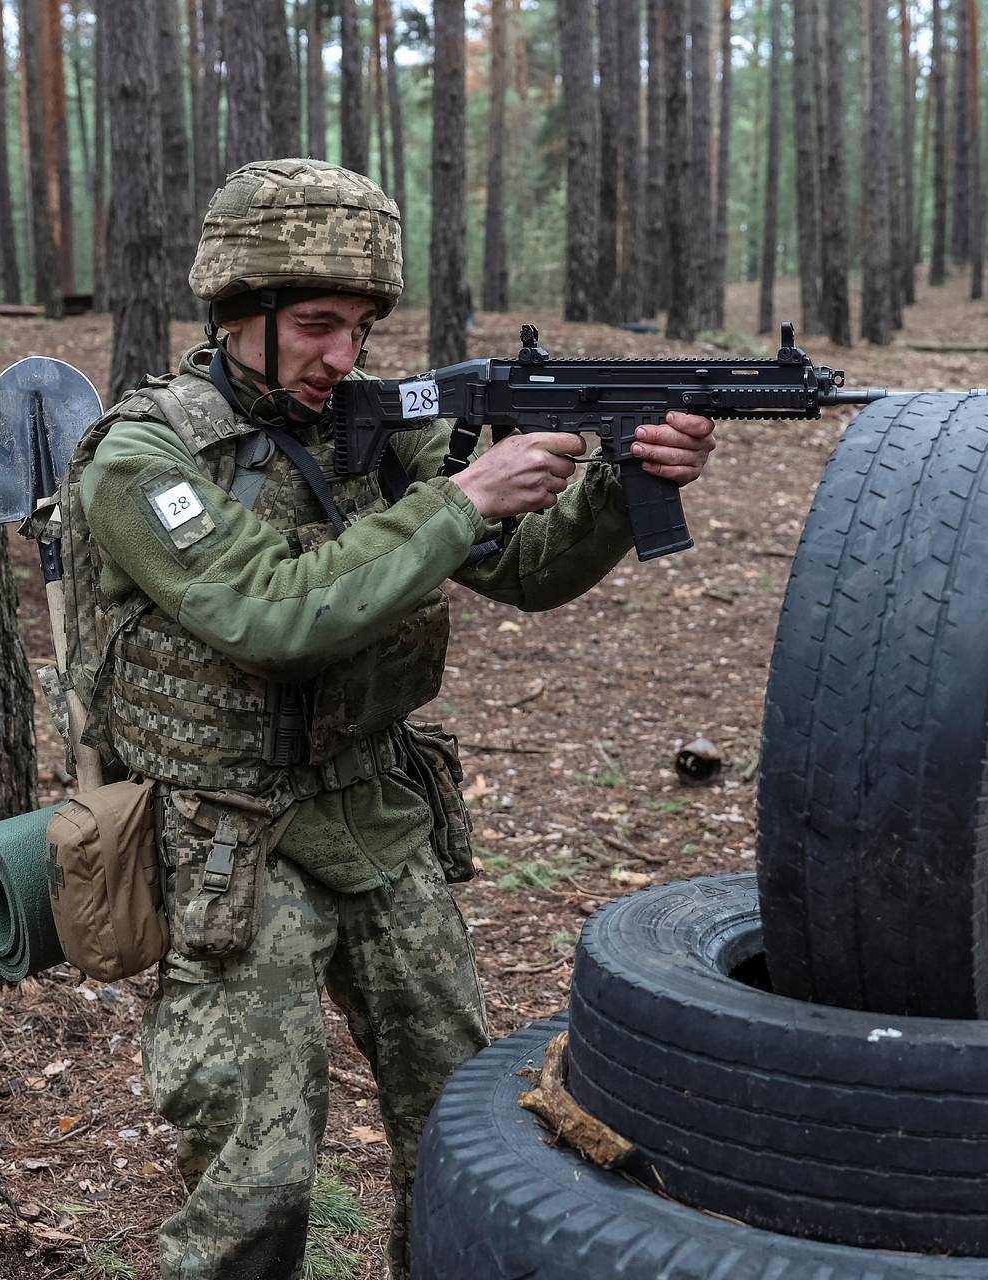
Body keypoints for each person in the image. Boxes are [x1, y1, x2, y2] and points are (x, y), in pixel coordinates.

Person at [71, 158, 715, 1280]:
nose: (343, 355)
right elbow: (265, 611)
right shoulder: (146, 456)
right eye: (316, 324)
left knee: (467, 1122)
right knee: (254, 1180)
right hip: (228, 837)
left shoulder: (382, 426)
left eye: (361, 325)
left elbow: (522, 569)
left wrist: (620, 482)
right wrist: (460, 496)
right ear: (238, 313)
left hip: (370, 809)